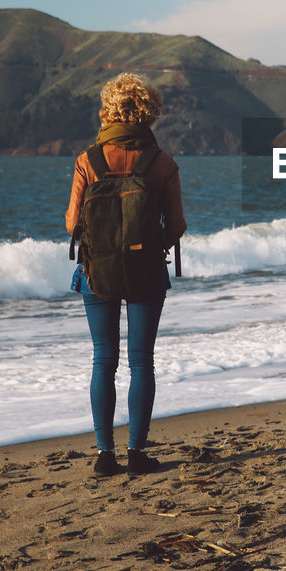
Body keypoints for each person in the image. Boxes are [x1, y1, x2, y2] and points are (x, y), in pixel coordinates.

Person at [65, 73, 187, 476]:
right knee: (141, 362)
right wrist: (151, 242)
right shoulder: (162, 163)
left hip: (96, 270)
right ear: (149, 112)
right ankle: (137, 453)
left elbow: (71, 224)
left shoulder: (89, 160)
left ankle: (104, 455)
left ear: (108, 109)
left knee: (103, 360)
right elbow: (177, 225)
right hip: (147, 272)